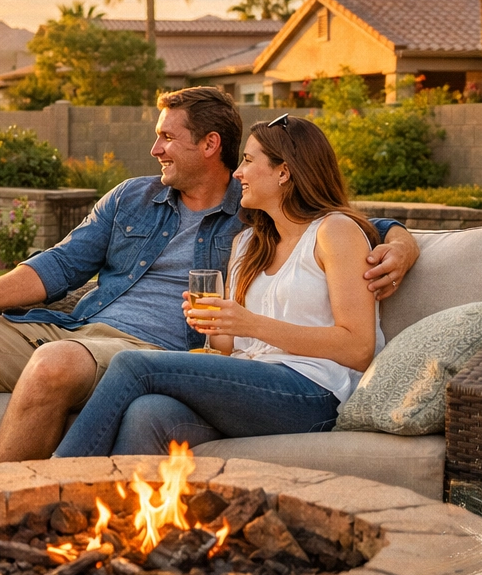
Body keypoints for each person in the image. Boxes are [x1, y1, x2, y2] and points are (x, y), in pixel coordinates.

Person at [0, 87, 418, 481]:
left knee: (74, 365)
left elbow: (348, 222)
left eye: (167, 137)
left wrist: (401, 243)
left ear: (211, 145)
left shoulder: (257, 215)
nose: (155, 149)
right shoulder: (194, 220)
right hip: (82, 326)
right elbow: (60, 263)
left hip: (156, 351)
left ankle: (16, 500)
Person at [55, 115, 381, 455]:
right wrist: (214, 324)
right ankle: (116, 491)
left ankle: (60, 477)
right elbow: (227, 347)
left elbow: (358, 348)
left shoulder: (334, 232)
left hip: (313, 392)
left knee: (133, 365)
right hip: (251, 381)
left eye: (248, 161)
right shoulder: (248, 244)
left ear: (283, 172)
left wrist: (251, 323)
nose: (238, 173)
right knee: (148, 413)